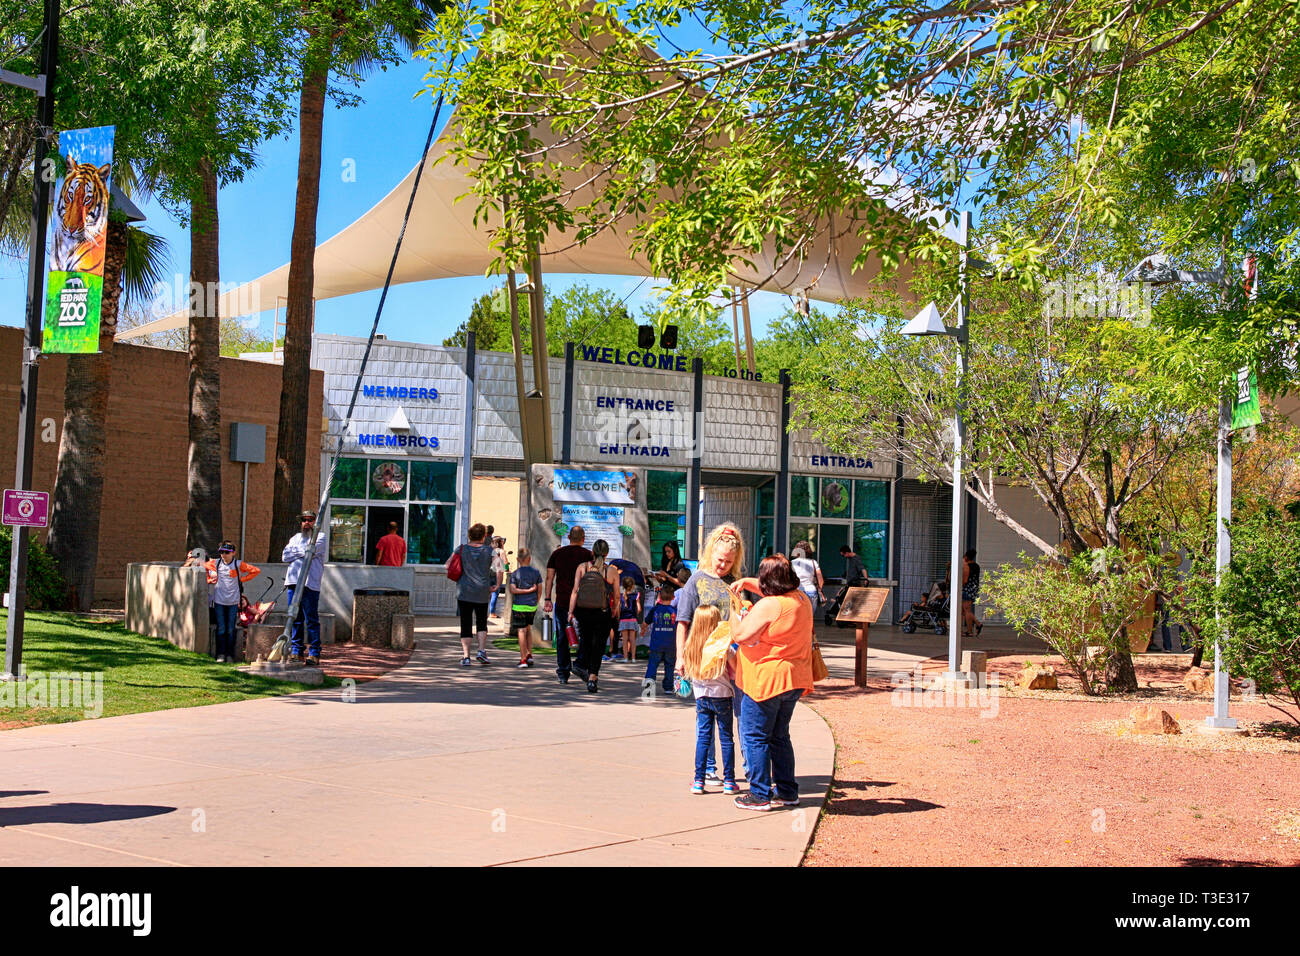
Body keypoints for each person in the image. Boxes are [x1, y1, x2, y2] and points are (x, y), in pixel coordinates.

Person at [727, 554, 815, 811]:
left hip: (765, 680)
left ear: (769, 581)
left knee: (755, 736)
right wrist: (745, 582)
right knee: (779, 736)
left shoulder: (769, 606)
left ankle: (759, 794)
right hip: (793, 678)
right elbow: (773, 588)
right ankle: (787, 791)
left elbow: (741, 635)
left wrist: (736, 614)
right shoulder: (800, 599)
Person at [680, 605, 739, 796]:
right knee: (726, 738)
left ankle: (699, 780)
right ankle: (729, 781)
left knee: (703, 738)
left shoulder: (690, 646)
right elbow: (736, 670)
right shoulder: (722, 646)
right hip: (722, 694)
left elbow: (686, 670)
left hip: (701, 696)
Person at [568, 538, 620, 693]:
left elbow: (575, 591)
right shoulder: (610, 571)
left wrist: (571, 611)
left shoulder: (582, 567)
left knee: (586, 639)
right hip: (602, 612)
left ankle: (580, 664)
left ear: (592, 551)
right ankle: (592, 678)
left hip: (583, 610)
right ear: (606, 553)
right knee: (598, 645)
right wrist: (616, 609)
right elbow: (617, 595)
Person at [545, 526, 593, 684]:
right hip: (583, 602)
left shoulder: (557, 554)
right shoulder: (588, 555)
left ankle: (563, 671)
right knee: (586, 634)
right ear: (583, 538)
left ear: (568, 537)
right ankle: (580, 664)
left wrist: (547, 598)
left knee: (562, 636)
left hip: (563, 601)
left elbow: (549, 578)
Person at [282, 510, 327, 665]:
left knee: (311, 619)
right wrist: (303, 551)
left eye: (310, 520)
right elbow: (284, 556)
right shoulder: (295, 538)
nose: (307, 522)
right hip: (293, 582)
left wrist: (298, 552)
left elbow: (311, 552)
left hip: (309, 584)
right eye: (304, 520)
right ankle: (296, 650)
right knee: (295, 618)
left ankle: (314, 652)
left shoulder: (320, 537)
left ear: (315, 522)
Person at [452, 522, 499, 666]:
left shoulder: (461, 549)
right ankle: (481, 651)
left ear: (469, 535)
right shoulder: (490, 551)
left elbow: (448, 565)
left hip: (464, 591)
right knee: (481, 622)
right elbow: (499, 568)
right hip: (482, 591)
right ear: (484, 536)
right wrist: (497, 584)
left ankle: (466, 657)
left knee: (465, 623)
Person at [204, 541, 260, 663]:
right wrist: (209, 579)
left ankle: (229, 655)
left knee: (230, 629)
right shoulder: (217, 563)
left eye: (227, 552)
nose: (224, 555)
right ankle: (220, 654)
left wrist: (242, 579)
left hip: (233, 602)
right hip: (219, 601)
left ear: (233, 553)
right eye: (221, 552)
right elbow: (203, 566)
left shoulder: (238, 564)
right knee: (221, 628)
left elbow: (255, 571)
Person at [508, 547, 543, 668]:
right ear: (529, 559)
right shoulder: (536, 572)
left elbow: (512, 590)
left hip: (519, 606)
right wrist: (535, 600)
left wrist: (524, 591)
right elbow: (539, 590)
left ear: (518, 559)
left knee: (521, 631)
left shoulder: (515, 574)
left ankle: (523, 658)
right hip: (532, 606)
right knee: (528, 629)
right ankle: (529, 655)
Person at [642, 581, 677, 695]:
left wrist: (643, 630)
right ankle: (668, 687)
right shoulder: (675, 611)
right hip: (671, 644)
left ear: (660, 596)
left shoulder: (655, 609)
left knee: (652, 664)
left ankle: (648, 688)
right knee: (670, 666)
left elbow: (646, 622)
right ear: (673, 597)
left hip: (656, 643)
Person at [614, 576, 642, 663]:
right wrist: (635, 614)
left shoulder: (621, 596)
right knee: (632, 639)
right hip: (632, 619)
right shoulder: (636, 595)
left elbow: (618, 609)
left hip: (623, 620)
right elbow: (639, 609)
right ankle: (633, 658)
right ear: (633, 585)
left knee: (625, 639)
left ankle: (625, 657)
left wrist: (618, 617)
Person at [790, 543, 825, 612]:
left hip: (797, 592)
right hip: (811, 591)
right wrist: (819, 589)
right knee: (810, 616)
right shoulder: (813, 562)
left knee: (798, 616)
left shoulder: (791, 563)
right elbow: (820, 580)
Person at [961, 548, 983, 638]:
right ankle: (973, 627)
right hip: (974, 589)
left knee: (966, 611)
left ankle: (973, 628)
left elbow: (965, 580)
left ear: (966, 557)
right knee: (964, 610)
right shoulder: (976, 566)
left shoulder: (967, 566)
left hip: (967, 589)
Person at [489, 536, 509, 619]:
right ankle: (492, 612)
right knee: (495, 594)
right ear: (500, 543)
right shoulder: (501, 551)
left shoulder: (491, 551)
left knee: (489, 594)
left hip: (489, 573)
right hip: (497, 574)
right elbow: (505, 563)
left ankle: (489, 612)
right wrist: (507, 569)